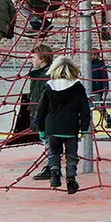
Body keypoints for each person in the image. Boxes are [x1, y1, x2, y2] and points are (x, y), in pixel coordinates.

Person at [34, 56, 90, 194]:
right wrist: (84, 128)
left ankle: (54, 174)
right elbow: (84, 110)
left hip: (52, 127)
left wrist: (40, 129)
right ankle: (71, 179)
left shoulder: (49, 87)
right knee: (71, 155)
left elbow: (41, 111)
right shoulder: (78, 87)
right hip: (70, 127)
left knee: (54, 153)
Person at [14, 46, 56, 162]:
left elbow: (45, 98)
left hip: (46, 115)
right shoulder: (37, 75)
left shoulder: (46, 76)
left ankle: (52, 168)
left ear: (42, 59)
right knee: (48, 142)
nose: (32, 60)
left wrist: (39, 113)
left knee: (50, 142)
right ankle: (52, 166)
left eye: (34, 58)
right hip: (41, 113)